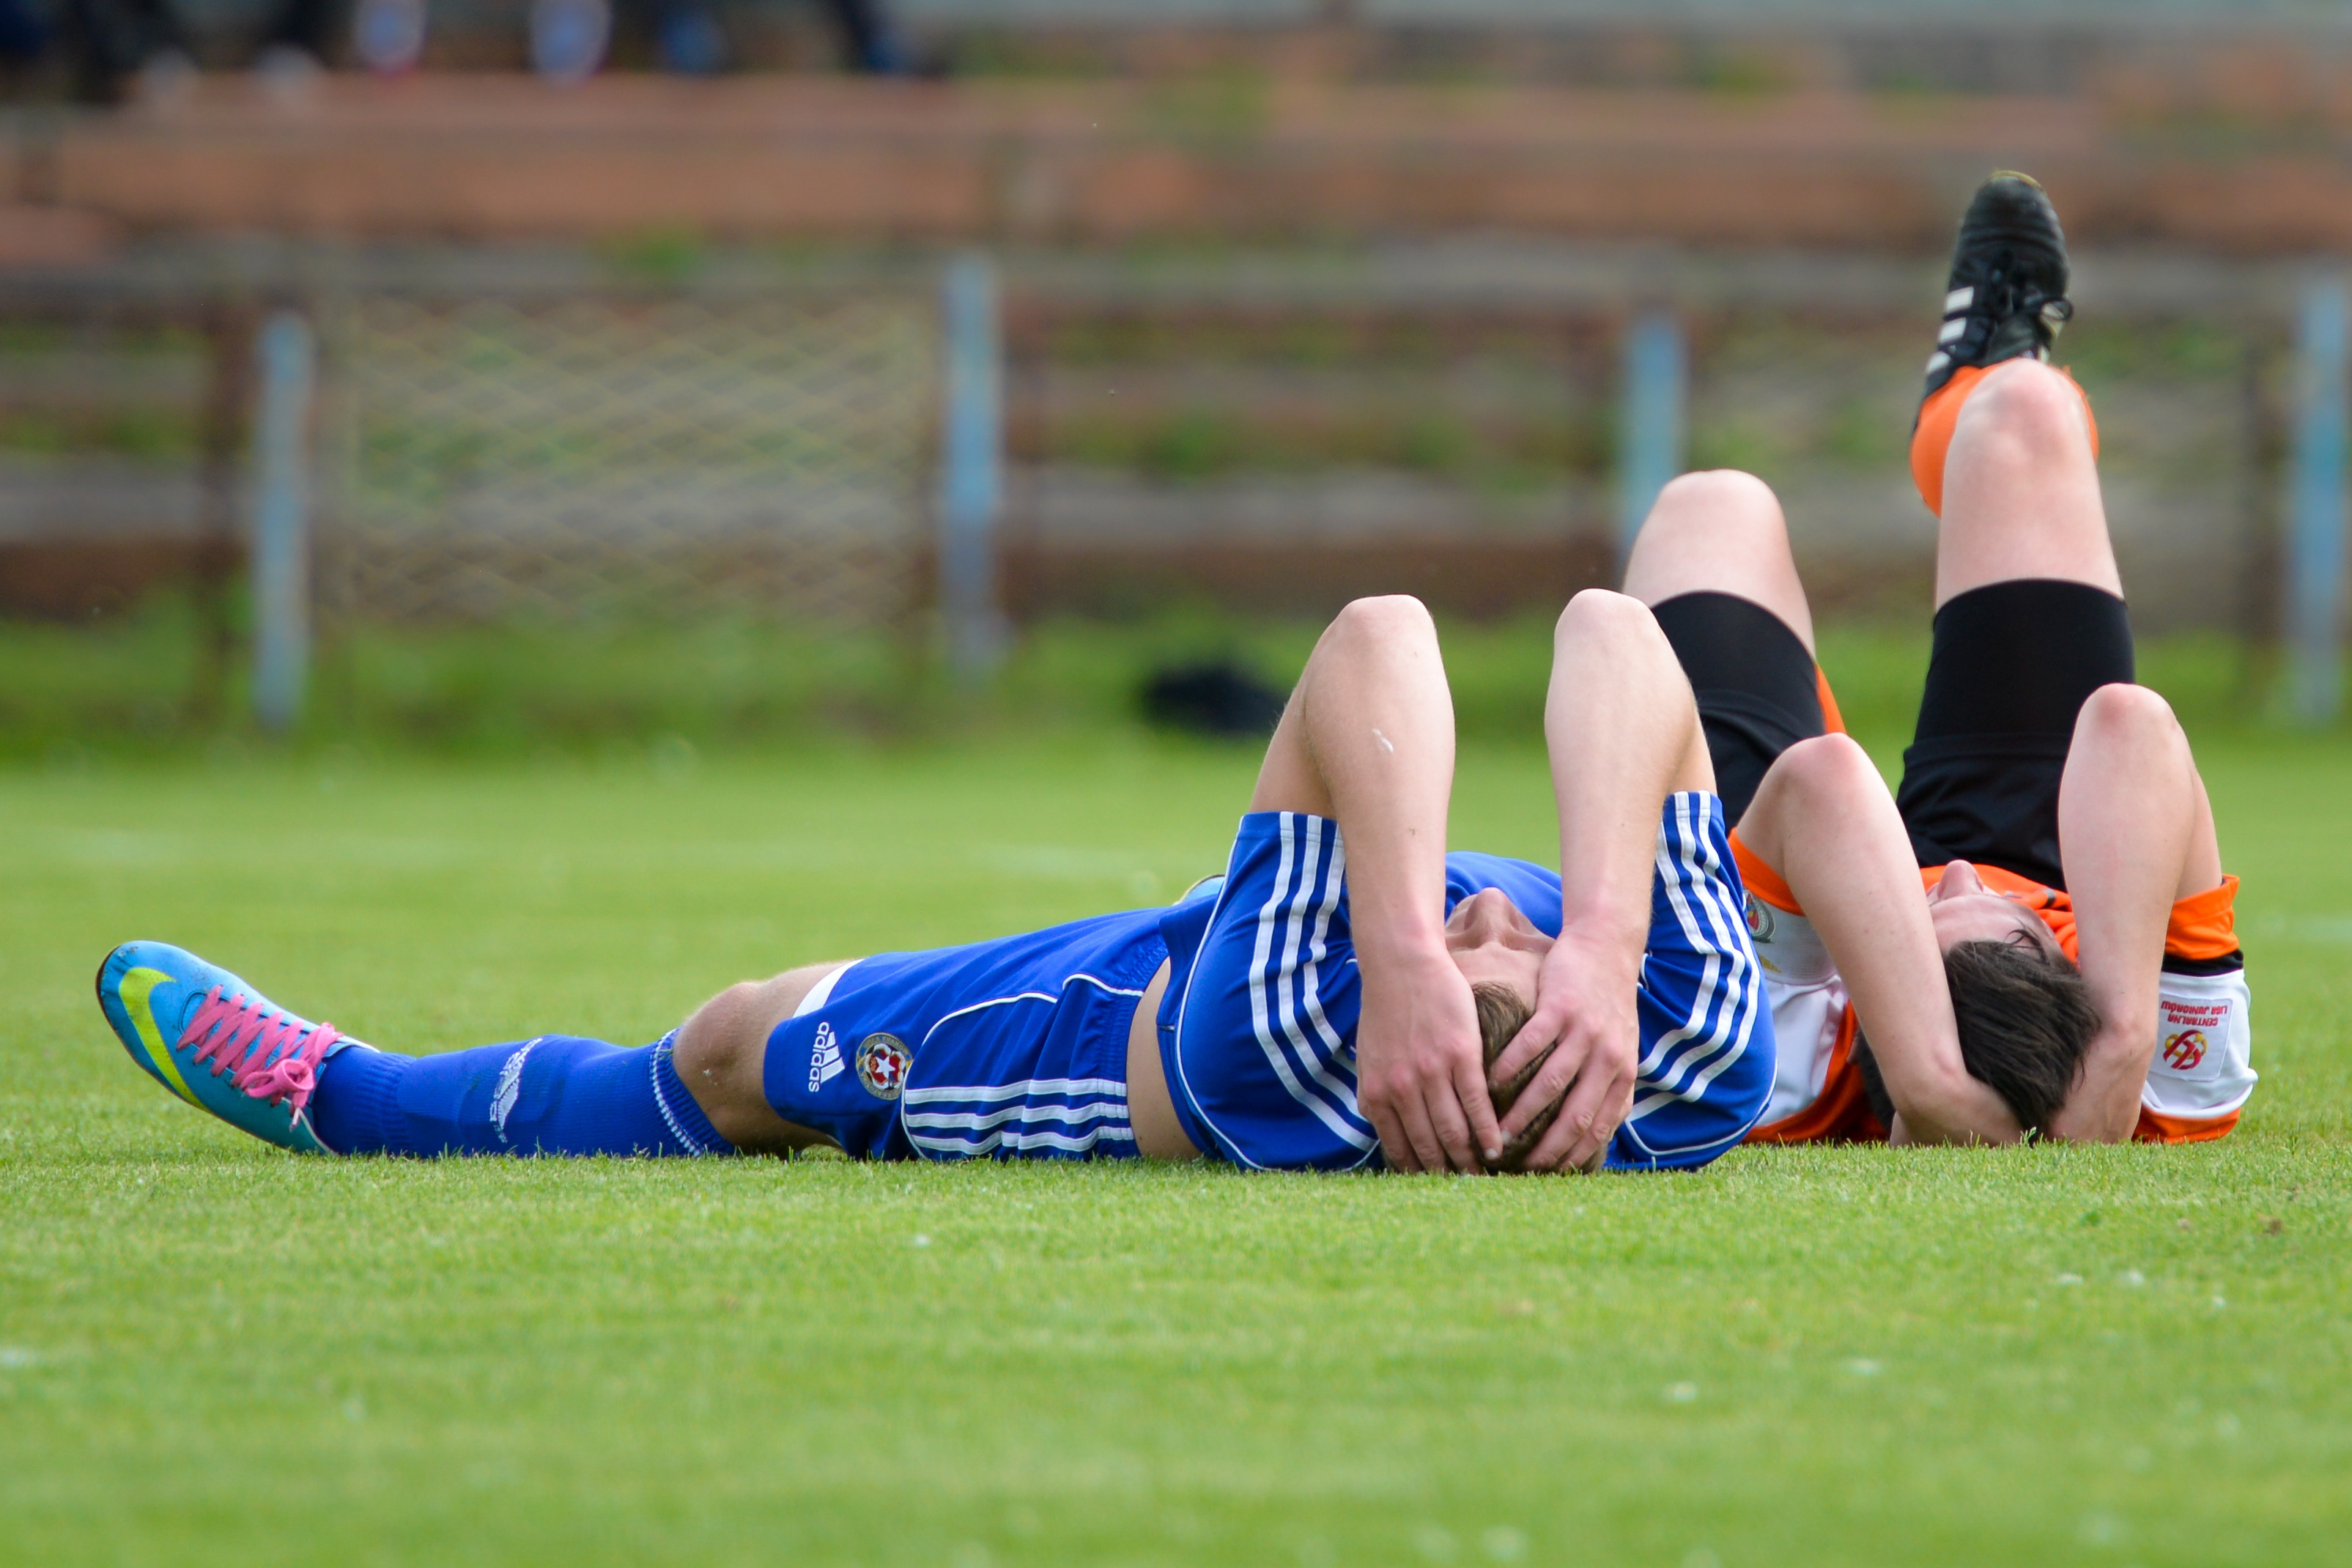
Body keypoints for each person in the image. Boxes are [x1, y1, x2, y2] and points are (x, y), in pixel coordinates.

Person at [96, 591, 1775, 1176]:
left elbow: (1380, 640)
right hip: (1330, 933)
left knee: (740, 1053)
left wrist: (1399, 951)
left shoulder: (1294, 1032)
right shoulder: (1687, 1052)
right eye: (1517, 939)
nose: (1511, 910)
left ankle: (343, 1093)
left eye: (1491, 943)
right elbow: (1618, 637)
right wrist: (1606, 944)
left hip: (1109, 1030)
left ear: (1397, 1057)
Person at [1619, 172, 2252, 1148]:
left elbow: (1820, 780)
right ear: (2059, 957)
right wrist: (2121, 1035)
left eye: (1925, 929)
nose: (1948, 875)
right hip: (2043, 850)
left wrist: (1924, 1072)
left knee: (1711, 508)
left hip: (1808, 935)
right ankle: (1974, 375)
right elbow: (2130, 726)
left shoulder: (1771, 1073)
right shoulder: (2175, 1086)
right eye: (1994, 917)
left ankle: (1894, 957)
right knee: (2023, 410)